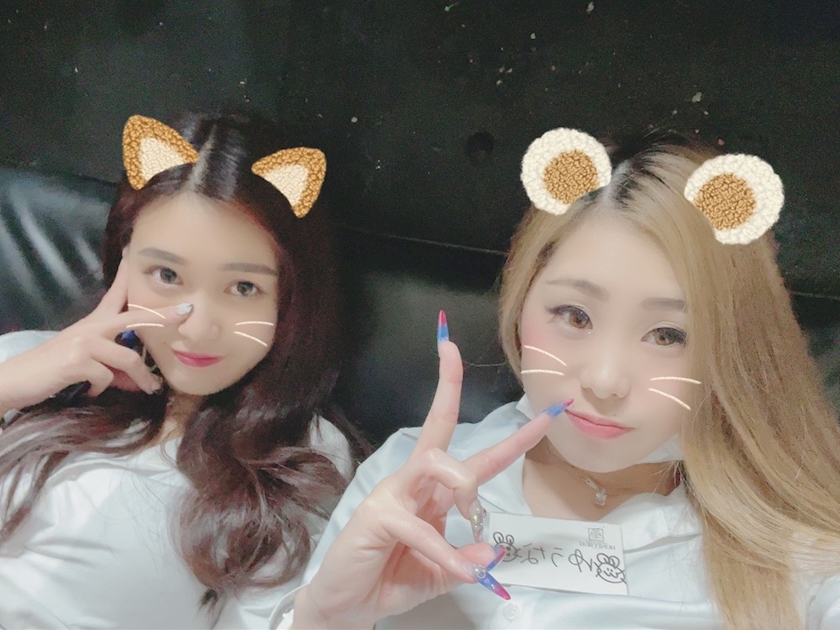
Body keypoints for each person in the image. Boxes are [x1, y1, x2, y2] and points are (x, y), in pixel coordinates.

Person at [280, 129, 840, 629]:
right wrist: (326, 619)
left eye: (668, 335)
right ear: (521, 300)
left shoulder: (799, 550)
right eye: (574, 316)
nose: (605, 379)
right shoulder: (405, 480)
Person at [0, 111, 364, 629]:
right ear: (123, 259)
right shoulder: (29, 363)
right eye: (167, 275)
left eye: (243, 288)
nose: (195, 328)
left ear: (290, 296)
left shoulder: (297, 459)